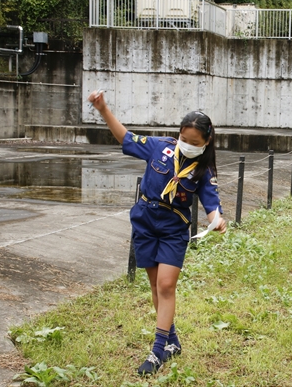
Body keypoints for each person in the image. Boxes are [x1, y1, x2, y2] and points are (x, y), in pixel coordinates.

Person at [88, 91, 227, 375]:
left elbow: (211, 203)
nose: (187, 145)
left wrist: (217, 220)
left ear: (207, 142)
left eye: (194, 143)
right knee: (154, 286)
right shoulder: (160, 147)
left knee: (165, 286)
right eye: (184, 139)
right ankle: (172, 341)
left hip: (173, 228)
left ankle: (157, 351)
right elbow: (126, 138)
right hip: (145, 222)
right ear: (178, 134)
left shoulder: (203, 169)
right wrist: (103, 109)